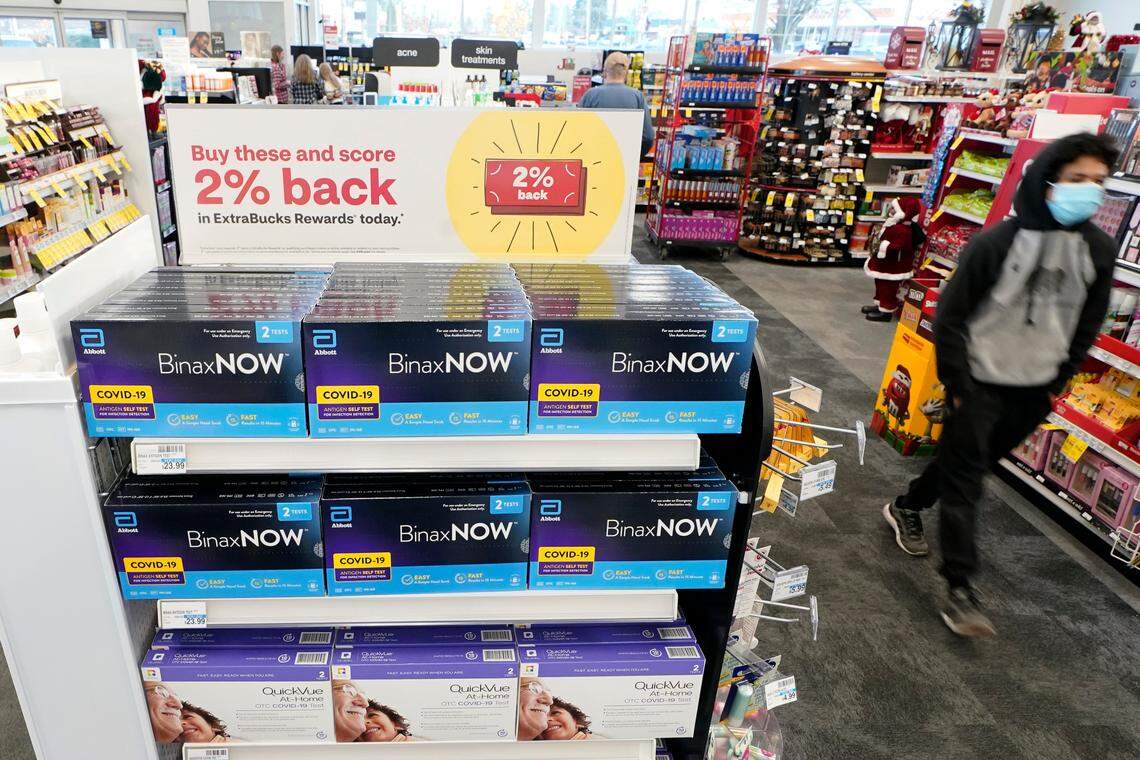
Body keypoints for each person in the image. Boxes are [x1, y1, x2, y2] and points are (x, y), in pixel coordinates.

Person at [882, 133, 1118, 637]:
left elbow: (1088, 321)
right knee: (968, 482)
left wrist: (1059, 380)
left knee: (972, 464)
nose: (1089, 191)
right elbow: (951, 315)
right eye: (1078, 180)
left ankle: (907, 504)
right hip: (980, 382)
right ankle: (960, 589)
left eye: (1098, 182)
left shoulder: (1098, 248)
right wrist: (958, 382)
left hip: (1034, 389)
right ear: (1048, 182)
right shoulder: (997, 243)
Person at [577, 52, 653, 157]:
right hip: (625, 160)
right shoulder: (637, 96)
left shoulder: (590, 95)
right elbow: (648, 137)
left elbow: (577, 130)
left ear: (605, 71)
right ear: (626, 72)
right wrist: (634, 156)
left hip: (594, 158)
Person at [863, 196, 925, 321]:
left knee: (888, 288)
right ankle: (879, 305)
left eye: (894, 208)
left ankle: (886, 311)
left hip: (893, 266)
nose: (890, 210)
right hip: (885, 263)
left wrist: (884, 245)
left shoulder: (904, 230)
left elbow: (900, 246)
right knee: (880, 284)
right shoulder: (894, 224)